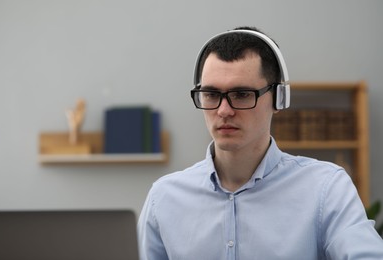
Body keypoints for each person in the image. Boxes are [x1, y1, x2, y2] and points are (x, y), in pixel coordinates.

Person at [137, 26, 383, 259]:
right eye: (211, 94)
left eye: (242, 94)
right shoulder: (164, 197)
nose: (223, 111)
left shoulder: (326, 188)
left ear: (279, 98)